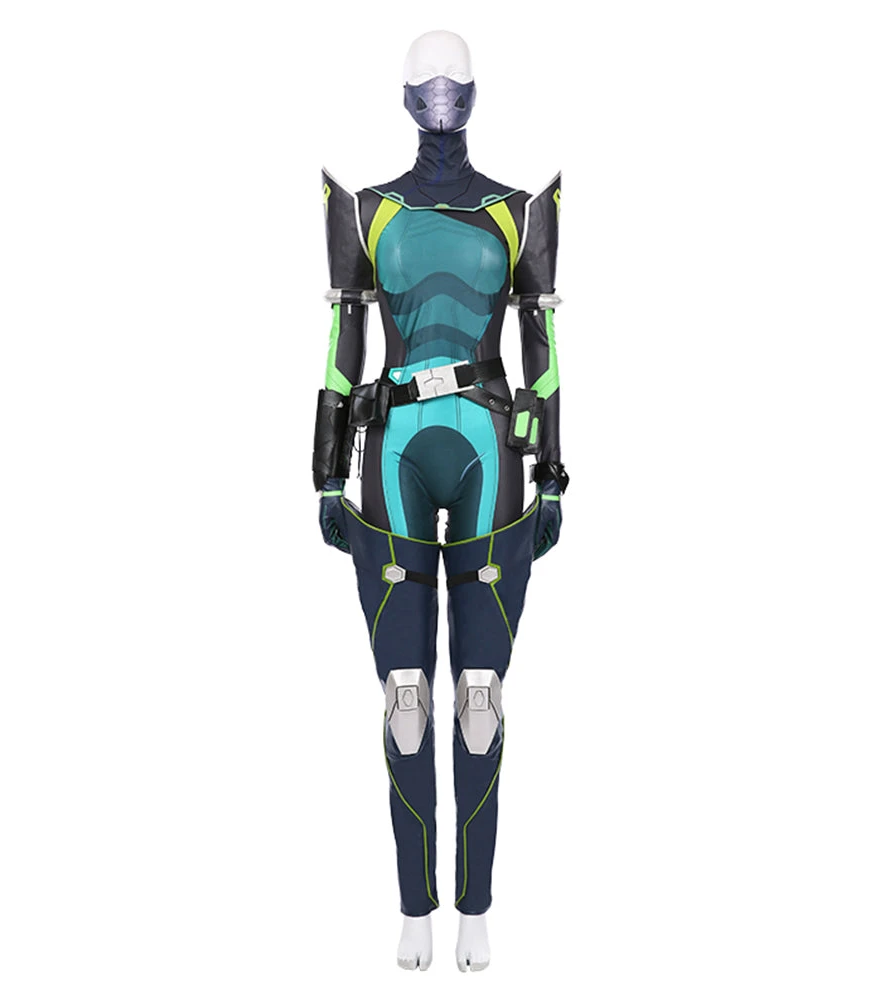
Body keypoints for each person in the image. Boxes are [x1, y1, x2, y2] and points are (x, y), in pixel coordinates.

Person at [311, 29, 569, 972]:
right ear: (402, 93)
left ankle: (476, 908)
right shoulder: (367, 209)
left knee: (480, 697)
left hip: (490, 448)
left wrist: (553, 470)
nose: (440, 91)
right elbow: (343, 338)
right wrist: (325, 467)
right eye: (425, 78)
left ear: (476, 90)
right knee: (406, 698)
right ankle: (414, 906)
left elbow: (541, 348)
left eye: (453, 77)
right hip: (392, 453)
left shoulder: (518, 211)